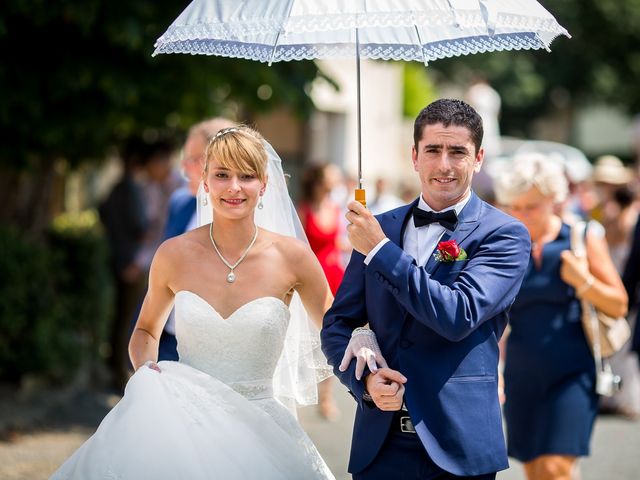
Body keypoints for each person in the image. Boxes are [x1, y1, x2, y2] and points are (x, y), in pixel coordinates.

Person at [52, 126, 337, 479]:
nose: (234, 186)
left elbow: (338, 328)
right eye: (222, 175)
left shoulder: (294, 257)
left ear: (264, 184)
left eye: (246, 176)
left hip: (260, 428)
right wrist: (146, 372)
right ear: (204, 181)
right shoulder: (173, 254)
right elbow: (144, 330)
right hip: (183, 425)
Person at [321, 98, 531, 479]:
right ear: (414, 155)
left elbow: (457, 315)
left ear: (478, 158)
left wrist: (382, 251)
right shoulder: (377, 227)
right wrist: (364, 381)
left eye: (458, 152)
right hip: (380, 445)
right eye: (433, 150)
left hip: (459, 445)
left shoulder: (505, 234)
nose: (444, 165)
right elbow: (337, 325)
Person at [493, 153, 628, 480]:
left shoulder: (580, 237)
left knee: (557, 469)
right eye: (516, 206)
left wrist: (583, 281)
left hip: (572, 373)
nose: (522, 214)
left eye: (532, 206)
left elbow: (619, 304)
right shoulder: (507, 244)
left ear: (554, 201)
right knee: (537, 469)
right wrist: (494, 369)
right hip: (522, 373)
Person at [158, 117, 234, 361]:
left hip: (219, 353)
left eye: (192, 159)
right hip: (167, 343)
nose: (183, 167)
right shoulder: (180, 203)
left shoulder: (246, 220)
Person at [99, 137, 150, 390]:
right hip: (131, 261)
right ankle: (119, 373)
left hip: (116, 256)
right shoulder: (131, 190)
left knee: (119, 317)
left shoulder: (117, 187)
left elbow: (102, 212)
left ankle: (114, 369)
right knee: (127, 319)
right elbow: (141, 226)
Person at [298, 162, 347, 420]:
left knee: (327, 338)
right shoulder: (304, 210)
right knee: (303, 337)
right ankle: (299, 390)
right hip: (311, 280)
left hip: (335, 279)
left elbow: (339, 241)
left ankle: (326, 397)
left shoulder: (336, 208)